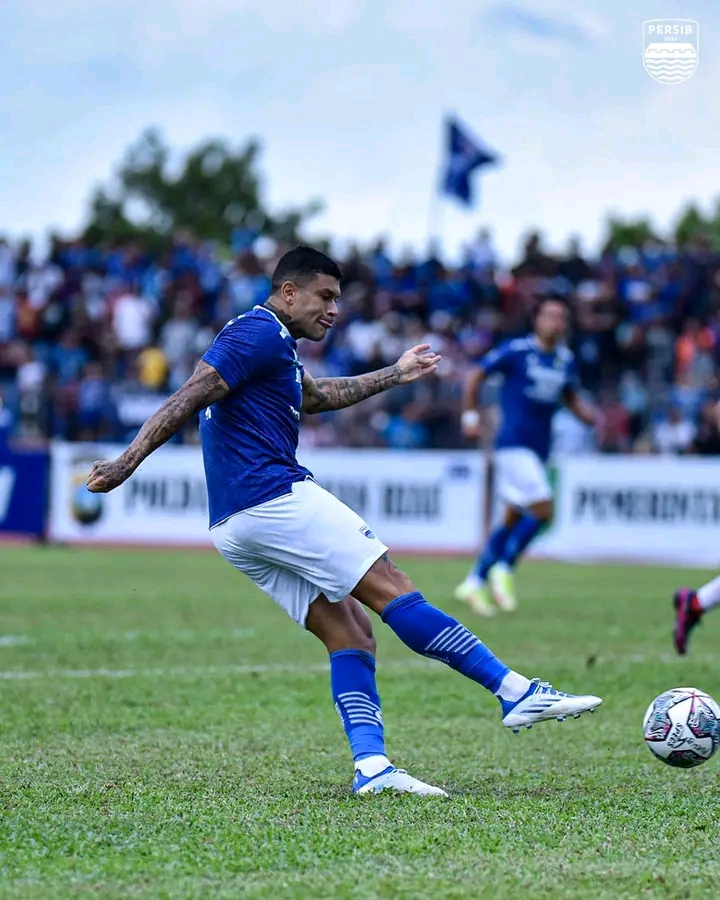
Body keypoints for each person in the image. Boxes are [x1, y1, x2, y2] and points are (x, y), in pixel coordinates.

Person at [87, 248, 602, 797]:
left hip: (234, 525)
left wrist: (395, 373)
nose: (333, 309)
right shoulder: (256, 334)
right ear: (288, 292)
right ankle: (514, 690)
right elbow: (188, 395)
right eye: (325, 297)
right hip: (273, 496)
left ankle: (373, 768)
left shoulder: (272, 345)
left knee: (350, 630)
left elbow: (315, 396)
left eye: (338, 299)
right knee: (393, 587)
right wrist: (126, 463)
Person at [455, 296, 598, 615]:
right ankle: (503, 567)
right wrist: (470, 417)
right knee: (544, 509)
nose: (555, 323)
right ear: (537, 320)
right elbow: (476, 375)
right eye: (549, 316)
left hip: (540, 448)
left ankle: (474, 581)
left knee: (513, 516)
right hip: (513, 444)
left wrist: (586, 415)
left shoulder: (564, 359)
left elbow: (569, 395)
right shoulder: (517, 351)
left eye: (561, 317)